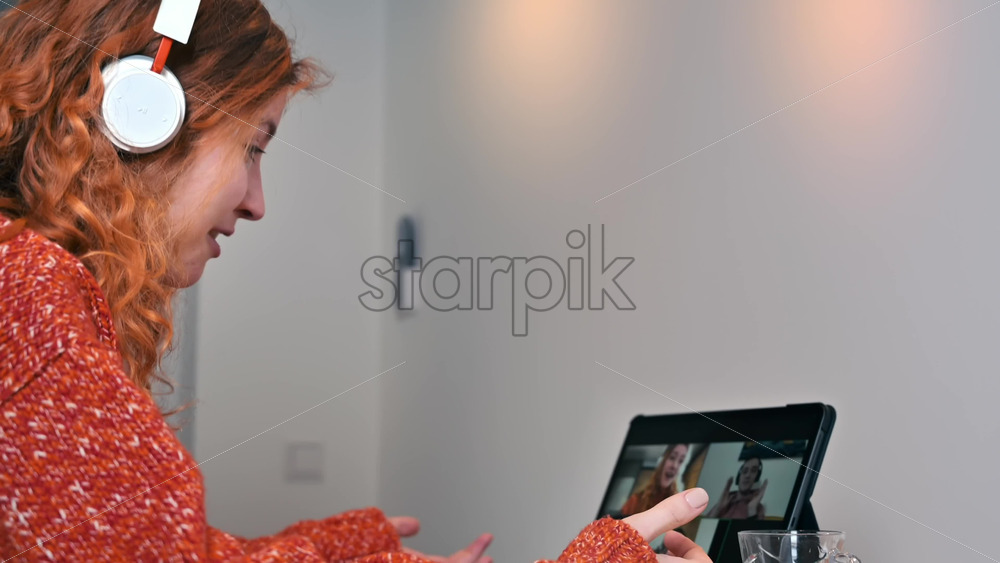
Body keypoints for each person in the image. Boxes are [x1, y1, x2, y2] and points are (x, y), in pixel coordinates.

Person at [0, 1, 715, 561]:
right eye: (252, 147)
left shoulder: (29, 285)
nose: (257, 200)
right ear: (141, 115)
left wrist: (349, 544)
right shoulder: (33, 298)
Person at [620, 444, 689, 516]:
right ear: (662, 461)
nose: (674, 466)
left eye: (681, 461)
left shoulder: (677, 507)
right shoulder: (635, 501)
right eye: (672, 457)